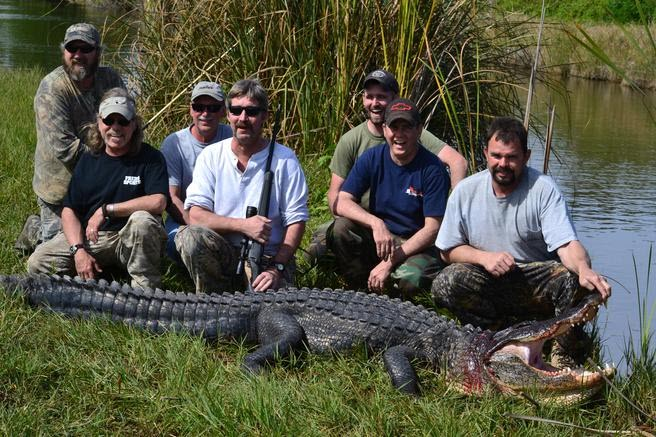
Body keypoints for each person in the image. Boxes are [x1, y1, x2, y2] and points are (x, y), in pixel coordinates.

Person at [432, 116, 612, 366]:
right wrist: (483, 258)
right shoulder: (466, 191)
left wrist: (584, 269)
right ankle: (493, 335)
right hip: (488, 277)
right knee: (446, 282)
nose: (503, 164)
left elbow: (567, 244)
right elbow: (447, 250)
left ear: (526, 156)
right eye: (496, 156)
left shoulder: (544, 189)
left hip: (533, 281)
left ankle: (563, 352)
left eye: (511, 157)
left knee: (573, 279)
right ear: (486, 153)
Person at [306, 69, 467, 262]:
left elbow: (457, 161)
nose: (375, 103)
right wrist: (366, 224)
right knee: (317, 251)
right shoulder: (353, 141)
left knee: (410, 276)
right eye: (370, 97)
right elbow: (336, 197)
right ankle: (358, 273)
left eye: (381, 97)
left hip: (409, 226)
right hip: (364, 220)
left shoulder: (414, 136)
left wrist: (452, 214)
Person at [175, 79, 309, 293]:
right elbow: (196, 216)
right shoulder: (211, 156)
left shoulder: (286, 160)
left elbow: (296, 221)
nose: (243, 119)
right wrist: (243, 225)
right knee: (189, 236)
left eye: (252, 111)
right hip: (224, 252)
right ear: (228, 115)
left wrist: (277, 266)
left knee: (272, 315)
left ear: (264, 115)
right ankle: (212, 299)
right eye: (236, 111)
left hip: (268, 257)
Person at [27, 88, 169, 290]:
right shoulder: (88, 159)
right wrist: (78, 250)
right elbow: (69, 210)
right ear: (99, 123)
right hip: (94, 239)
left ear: (134, 124)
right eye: (109, 121)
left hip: (128, 238)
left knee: (142, 220)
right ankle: (98, 275)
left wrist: (106, 210)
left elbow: (158, 202)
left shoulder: (151, 158)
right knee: (37, 263)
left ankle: (146, 289)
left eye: (123, 121)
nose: (115, 128)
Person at [327, 98, 450, 297]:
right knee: (341, 228)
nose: (399, 135)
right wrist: (376, 224)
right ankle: (359, 289)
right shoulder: (372, 157)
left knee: (409, 280)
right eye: (394, 127)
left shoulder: (433, 169)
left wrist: (390, 262)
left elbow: (432, 229)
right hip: (382, 238)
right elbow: (341, 201)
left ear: (418, 130)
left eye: (407, 127)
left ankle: (396, 292)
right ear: (385, 129)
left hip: (417, 243)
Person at [30, 23, 125, 246]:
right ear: (64, 51)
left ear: (98, 52)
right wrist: (112, 162)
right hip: (60, 192)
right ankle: (35, 230)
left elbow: (126, 121)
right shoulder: (52, 89)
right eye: (72, 49)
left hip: (103, 186)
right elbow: (66, 149)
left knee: (110, 245)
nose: (78, 55)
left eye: (86, 49)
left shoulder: (111, 79)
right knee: (65, 255)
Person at [161, 81, 232, 264]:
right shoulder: (174, 143)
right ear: (191, 110)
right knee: (172, 244)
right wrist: (197, 225)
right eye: (199, 107)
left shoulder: (233, 137)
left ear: (223, 111)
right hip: (185, 218)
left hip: (226, 216)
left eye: (213, 108)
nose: (205, 114)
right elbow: (172, 197)